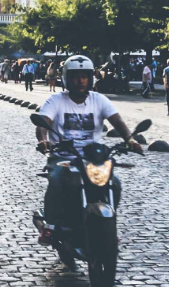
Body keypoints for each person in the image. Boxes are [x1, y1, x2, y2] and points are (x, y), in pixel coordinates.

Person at [35, 54, 142, 245]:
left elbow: (117, 121)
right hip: (63, 157)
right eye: (76, 76)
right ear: (67, 78)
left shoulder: (99, 100)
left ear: (91, 78)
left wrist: (130, 138)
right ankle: (49, 227)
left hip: (92, 159)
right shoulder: (56, 101)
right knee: (57, 180)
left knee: (114, 183)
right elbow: (43, 123)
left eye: (85, 76)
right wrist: (44, 140)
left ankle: (110, 228)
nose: (80, 80)